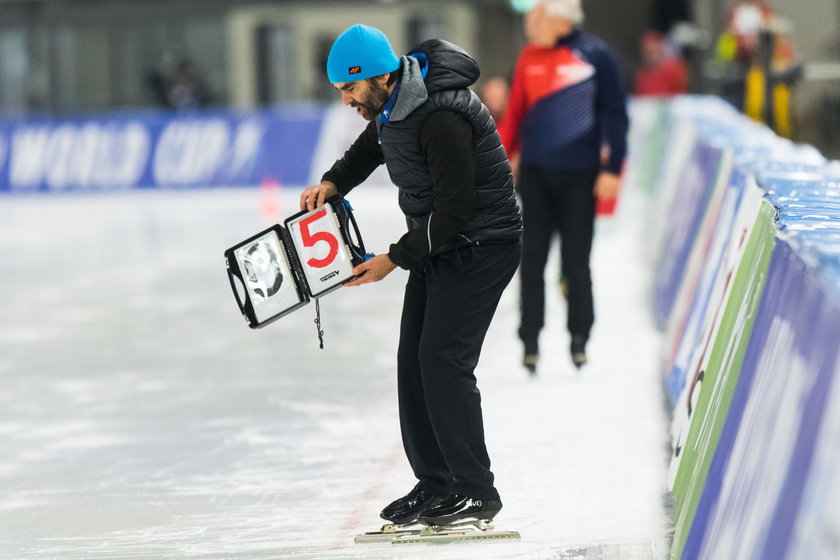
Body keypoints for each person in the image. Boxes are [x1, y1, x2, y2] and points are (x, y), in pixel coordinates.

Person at [299, 25, 522, 528]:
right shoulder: (391, 108)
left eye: (350, 90)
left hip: (483, 244)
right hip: (441, 244)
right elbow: (370, 149)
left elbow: (456, 209)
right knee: (413, 362)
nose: (347, 101)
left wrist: (393, 260)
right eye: (340, 93)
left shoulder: (441, 114)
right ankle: (437, 483)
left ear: (378, 77)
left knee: (442, 361)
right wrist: (333, 182)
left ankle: (474, 491)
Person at [497, 0, 628, 374]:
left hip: (581, 176)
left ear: (558, 19)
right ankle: (530, 339)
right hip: (536, 176)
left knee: (576, 260)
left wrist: (613, 168)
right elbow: (515, 115)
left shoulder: (596, 56)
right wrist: (501, 158)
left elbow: (615, 115)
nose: (530, 23)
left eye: (537, 16)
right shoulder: (527, 58)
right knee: (532, 259)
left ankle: (579, 336)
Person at [634, 30, 689, 97]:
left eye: (652, 51)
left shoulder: (674, 69)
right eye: (646, 52)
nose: (649, 56)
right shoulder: (640, 73)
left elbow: (682, 95)